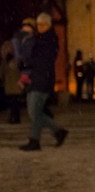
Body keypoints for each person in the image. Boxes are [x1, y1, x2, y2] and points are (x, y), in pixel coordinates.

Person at [18, 12, 68, 151]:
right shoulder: (37, 39)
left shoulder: (49, 40)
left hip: (43, 80)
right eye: (38, 24)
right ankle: (58, 132)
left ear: (48, 25)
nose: (40, 27)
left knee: (35, 112)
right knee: (34, 112)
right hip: (34, 79)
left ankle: (35, 140)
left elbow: (43, 60)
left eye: (42, 25)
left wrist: (29, 61)